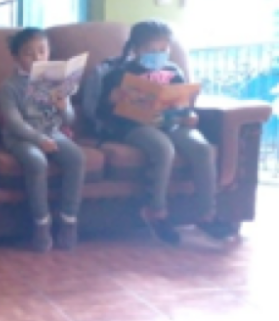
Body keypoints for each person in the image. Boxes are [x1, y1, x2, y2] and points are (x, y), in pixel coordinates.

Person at [96, 19, 235, 245]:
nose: (158, 55)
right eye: (151, 50)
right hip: (134, 127)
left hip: (172, 123)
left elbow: (183, 104)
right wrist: (112, 99)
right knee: (163, 149)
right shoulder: (119, 74)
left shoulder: (173, 71)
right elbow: (100, 112)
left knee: (202, 149)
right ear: (136, 49)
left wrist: (189, 115)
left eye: (163, 49)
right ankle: (156, 211)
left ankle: (206, 215)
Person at [0, 28, 86, 252]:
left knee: (76, 157)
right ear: (16, 57)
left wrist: (63, 107)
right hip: (21, 137)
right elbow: (14, 123)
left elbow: (69, 120)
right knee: (37, 161)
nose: (37, 57)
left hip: (52, 132)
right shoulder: (9, 86)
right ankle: (41, 224)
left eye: (42, 51)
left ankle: (68, 221)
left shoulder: (56, 81)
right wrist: (39, 140)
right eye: (28, 53)